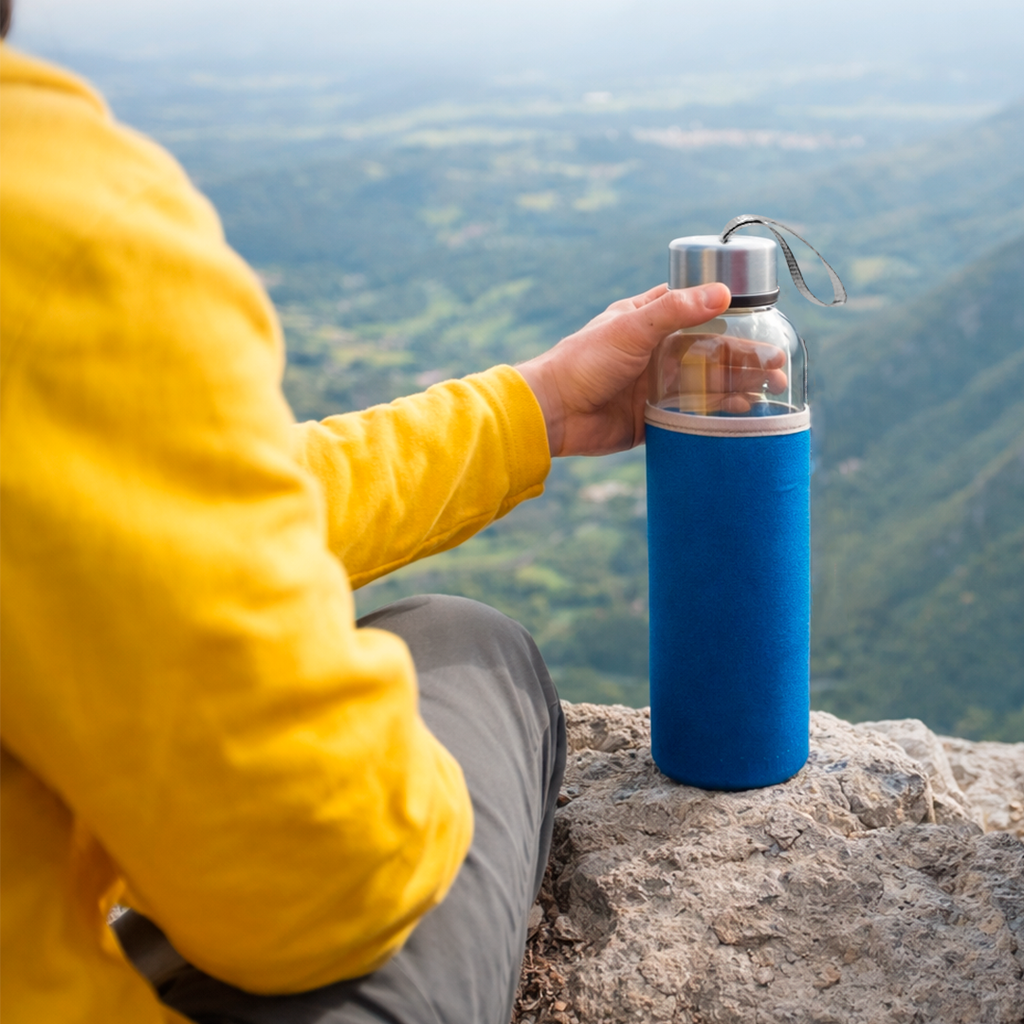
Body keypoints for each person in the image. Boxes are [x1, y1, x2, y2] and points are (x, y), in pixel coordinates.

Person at [0, 8, 740, 1023]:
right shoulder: (53, 220)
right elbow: (316, 890)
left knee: (443, 633)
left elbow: (152, 513)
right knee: (475, 651)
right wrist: (385, 765)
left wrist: (531, 410)